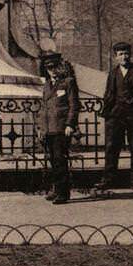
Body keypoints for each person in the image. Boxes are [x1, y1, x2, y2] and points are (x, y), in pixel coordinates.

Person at [96, 42, 133, 192]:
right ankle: (108, 180)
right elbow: (109, 94)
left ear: (130, 54)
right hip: (116, 116)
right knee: (111, 147)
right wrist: (107, 113)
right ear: (115, 57)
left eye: (126, 53)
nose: (124, 57)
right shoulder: (113, 73)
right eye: (120, 54)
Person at [36, 51, 80, 205]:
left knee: (60, 160)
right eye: (49, 68)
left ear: (60, 67)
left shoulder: (68, 82)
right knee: (53, 161)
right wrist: (40, 128)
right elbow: (44, 108)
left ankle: (63, 193)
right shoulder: (47, 85)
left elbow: (74, 105)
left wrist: (70, 125)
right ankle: (56, 189)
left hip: (61, 128)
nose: (53, 71)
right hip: (49, 128)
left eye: (55, 67)